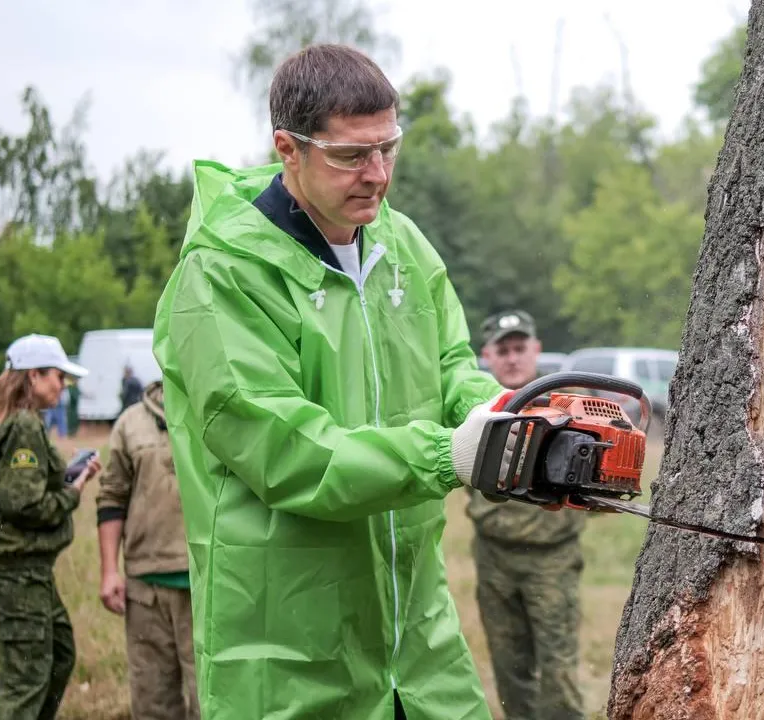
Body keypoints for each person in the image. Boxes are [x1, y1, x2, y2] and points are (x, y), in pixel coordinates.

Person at [152, 44, 510, 719]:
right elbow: (285, 448)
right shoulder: (222, 276)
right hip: (289, 646)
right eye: (351, 155)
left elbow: (452, 367)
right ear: (288, 149)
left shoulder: (402, 246)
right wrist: (447, 455)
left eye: (389, 149)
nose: (376, 174)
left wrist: (507, 424)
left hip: (416, 635)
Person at [0, 334, 101, 720]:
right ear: (32, 378)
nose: (63, 385)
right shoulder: (24, 426)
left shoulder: (6, 424)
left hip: (28, 570)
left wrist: (63, 480)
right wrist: (73, 491)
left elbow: (14, 492)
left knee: (59, 653)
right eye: (57, 376)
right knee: (24, 680)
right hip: (20, 571)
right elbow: (23, 504)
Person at [468, 311, 586, 720]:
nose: (513, 359)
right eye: (503, 351)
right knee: (509, 669)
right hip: (494, 555)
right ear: (487, 356)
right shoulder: (476, 409)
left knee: (558, 669)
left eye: (520, 348)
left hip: (550, 557)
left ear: (536, 350)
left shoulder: (565, 407)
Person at [96, 379, 199, 719]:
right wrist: (110, 571)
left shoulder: (214, 411)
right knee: (152, 703)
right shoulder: (131, 423)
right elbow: (112, 496)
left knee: (213, 704)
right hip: (146, 590)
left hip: (208, 585)